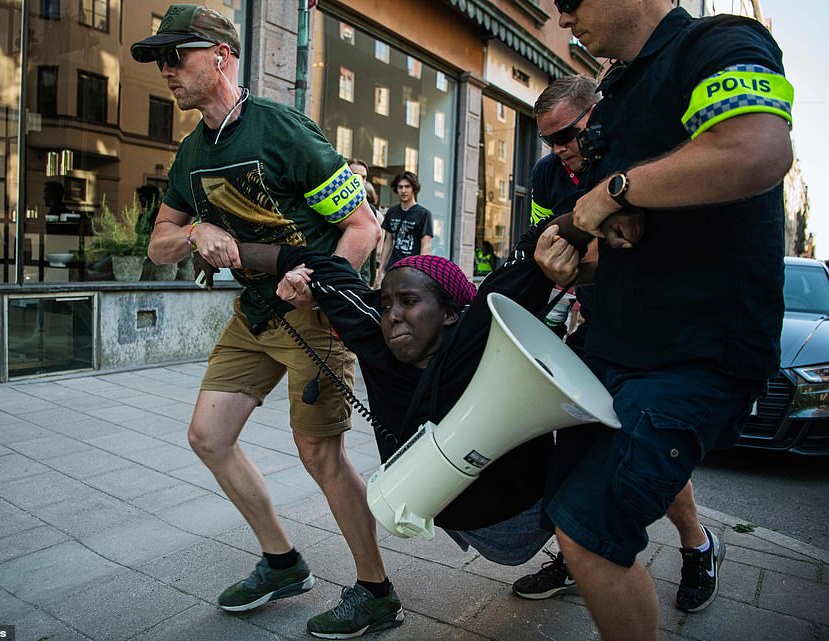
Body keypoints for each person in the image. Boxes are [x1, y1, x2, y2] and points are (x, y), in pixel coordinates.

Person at [129, 6, 395, 639]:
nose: (166, 70)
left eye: (177, 56)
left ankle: (377, 591)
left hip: (314, 316)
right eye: (160, 61)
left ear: (221, 55)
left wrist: (313, 280)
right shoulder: (191, 152)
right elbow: (157, 245)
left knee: (320, 453)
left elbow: (363, 228)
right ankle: (283, 561)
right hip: (252, 315)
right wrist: (195, 230)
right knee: (208, 437)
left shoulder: (282, 132)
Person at [543, 2, 794, 640]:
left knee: (591, 532)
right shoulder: (618, 88)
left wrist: (609, 193)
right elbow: (637, 242)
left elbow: (757, 150)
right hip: (620, 345)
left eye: (570, 2)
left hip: (698, 353)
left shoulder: (720, 41)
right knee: (567, 504)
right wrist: (576, 260)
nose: (564, 18)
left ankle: (689, 547)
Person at [233, 212, 593, 571]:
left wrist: (607, 200)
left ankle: (576, 560)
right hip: (453, 514)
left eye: (408, 301)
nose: (392, 315)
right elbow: (311, 262)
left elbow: (536, 241)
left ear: (451, 313)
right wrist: (230, 249)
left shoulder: (477, 332)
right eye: (386, 304)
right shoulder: (374, 333)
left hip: (528, 512)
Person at [516, 75, 722, 616]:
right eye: (550, 141)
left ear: (596, 117)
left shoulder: (633, 156)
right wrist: (559, 268)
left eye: (569, 136)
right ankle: (573, 551)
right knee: (574, 447)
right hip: (599, 327)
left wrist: (594, 255)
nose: (560, 151)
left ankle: (697, 546)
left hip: (660, 337)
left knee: (641, 454)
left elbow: (657, 255)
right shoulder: (545, 175)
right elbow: (546, 249)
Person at [376, 171, 432, 283]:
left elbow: (425, 248)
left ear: (414, 189)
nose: (403, 191)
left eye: (407, 187)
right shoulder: (392, 212)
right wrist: (380, 270)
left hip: (412, 271)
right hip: (393, 268)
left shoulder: (424, 214)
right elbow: (388, 243)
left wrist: (421, 273)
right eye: (400, 187)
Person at [348, 158, 383, 287]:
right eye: (355, 175)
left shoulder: (371, 211)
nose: (360, 180)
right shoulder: (334, 208)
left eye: (363, 177)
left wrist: (372, 276)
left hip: (363, 278)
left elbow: (373, 249)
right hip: (341, 274)